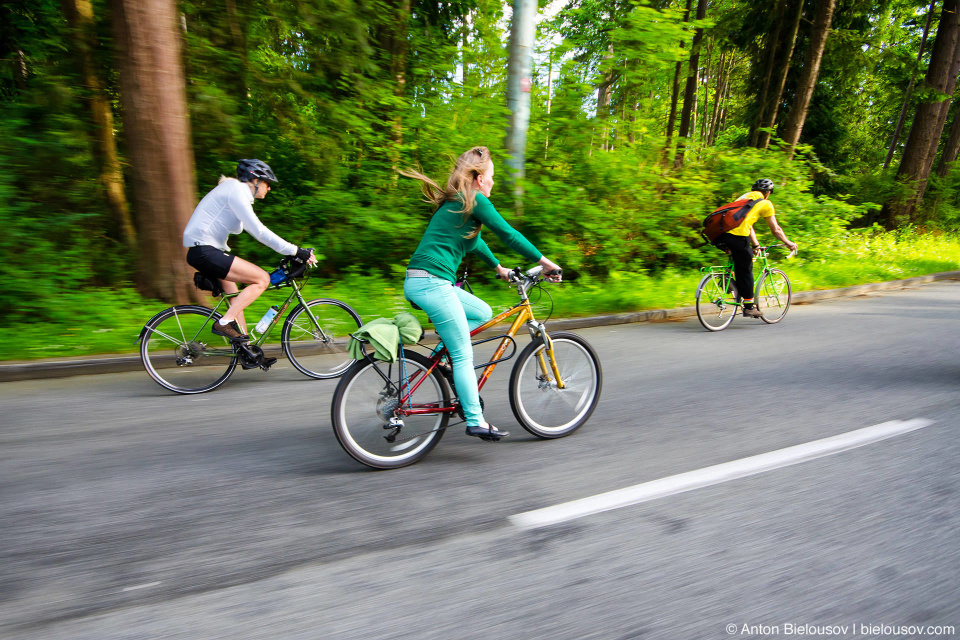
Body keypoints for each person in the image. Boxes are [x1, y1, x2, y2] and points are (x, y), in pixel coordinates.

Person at [402, 146, 562, 442]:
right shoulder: (474, 199)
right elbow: (508, 234)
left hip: (421, 281)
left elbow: (474, 242)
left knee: (482, 313)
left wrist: (499, 267)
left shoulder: (456, 202)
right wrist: (545, 262)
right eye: (491, 177)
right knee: (464, 353)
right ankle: (476, 420)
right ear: (478, 178)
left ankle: (441, 356)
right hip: (433, 283)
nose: (493, 183)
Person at [183, 159, 317, 350]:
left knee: (234, 297)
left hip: (205, 251)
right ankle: (222, 324)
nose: (269, 189)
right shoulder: (236, 190)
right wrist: (296, 250)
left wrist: (293, 251)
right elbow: (259, 232)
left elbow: (247, 228)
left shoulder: (234, 193)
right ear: (255, 180)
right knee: (262, 279)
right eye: (267, 183)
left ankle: (244, 348)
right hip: (204, 250)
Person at [712, 178, 798, 318]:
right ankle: (749, 306)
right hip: (737, 236)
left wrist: (755, 244)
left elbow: (747, 223)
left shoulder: (744, 198)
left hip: (720, 234)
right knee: (746, 269)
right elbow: (775, 230)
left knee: (739, 259)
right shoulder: (765, 203)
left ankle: (729, 283)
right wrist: (788, 243)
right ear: (768, 193)